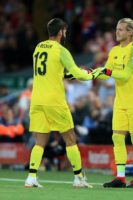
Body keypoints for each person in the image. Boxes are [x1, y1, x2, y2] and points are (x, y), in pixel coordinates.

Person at [24, 18, 102, 188]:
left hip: (37, 100)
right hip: (54, 101)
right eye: (65, 31)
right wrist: (94, 74)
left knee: (40, 141)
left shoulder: (39, 47)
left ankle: (31, 178)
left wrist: (68, 75)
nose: (66, 34)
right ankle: (79, 178)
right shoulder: (61, 50)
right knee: (70, 138)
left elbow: (53, 73)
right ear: (60, 32)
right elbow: (80, 75)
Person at [95, 18, 133, 188]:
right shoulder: (113, 51)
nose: (117, 31)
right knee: (117, 137)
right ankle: (120, 177)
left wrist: (106, 70)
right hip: (120, 101)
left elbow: (125, 75)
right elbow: (106, 74)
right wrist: (91, 73)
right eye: (117, 28)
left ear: (130, 33)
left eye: (121, 29)